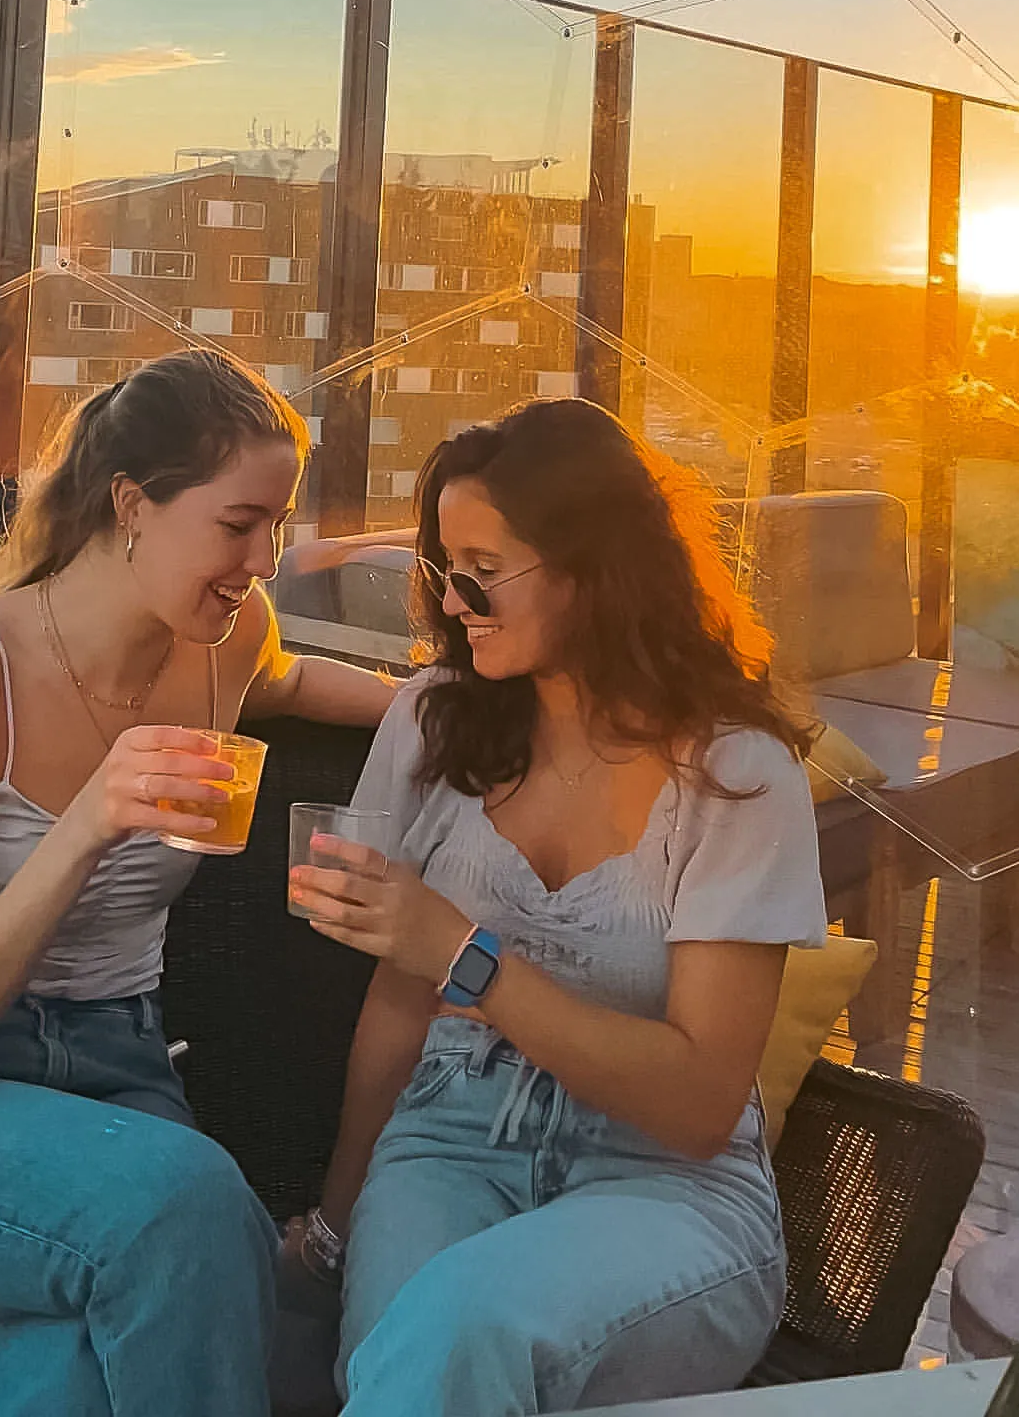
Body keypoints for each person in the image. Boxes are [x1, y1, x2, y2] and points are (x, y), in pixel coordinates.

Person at [0, 349, 396, 1417]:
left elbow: (291, 680)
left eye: (278, 526)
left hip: (117, 1081)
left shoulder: (226, 643)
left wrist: (441, 700)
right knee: (197, 1207)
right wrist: (88, 825)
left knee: (68, 1371)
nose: (264, 559)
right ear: (132, 504)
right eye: (238, 523)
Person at [287, 397, 826, 1414]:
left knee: (455, 1329)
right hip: (448, 1138)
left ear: (590, 569)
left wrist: (465, 953)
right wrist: (335, 1226)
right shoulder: (433, 727)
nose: (452, 603)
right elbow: (399, 1010)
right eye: (445, 570)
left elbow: (702, 1103)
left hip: (664, 1184)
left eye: (481, 573)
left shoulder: (736, 775)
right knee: (404, 1356)